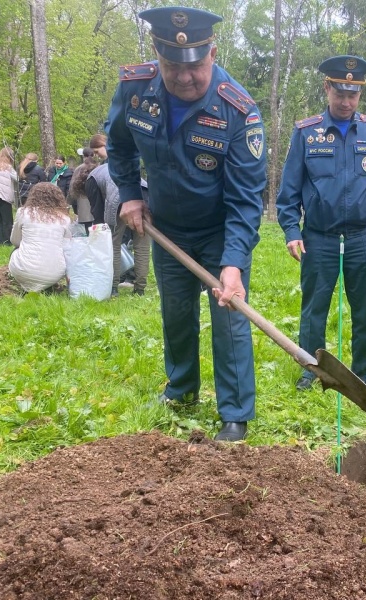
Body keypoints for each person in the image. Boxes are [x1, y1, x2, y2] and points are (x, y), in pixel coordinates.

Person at [105, 6, 266, 442]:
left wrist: (233, 263)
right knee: (176, 313)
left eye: (195, 66)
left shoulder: (239, 110)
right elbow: (117, 145)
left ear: (212, 52)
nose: (185, 77)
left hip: (219, 231)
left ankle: (234, 413)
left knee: (229, 318)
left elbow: (247, 199)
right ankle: (181, 391)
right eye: (173, 66)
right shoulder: (135, 89)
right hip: (167, 227)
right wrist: (131, 194)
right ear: (157, 54)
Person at [276, 55, 366, 392]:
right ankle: (311, 371)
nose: (346, 102)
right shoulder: (306, 133)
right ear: (327, 88)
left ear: (360, 94)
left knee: (365, 312)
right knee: (314, 308)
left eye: (353, 95)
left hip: (362, 237)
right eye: (340, 94)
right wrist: (291, 231)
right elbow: (288, 190)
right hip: (319, 238)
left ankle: (364, 376)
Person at [85, 133, 151, 297]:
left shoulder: (93, 176)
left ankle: (113, 287)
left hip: (121, 198)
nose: (97, 156)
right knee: (142, 244)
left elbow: (97, 209)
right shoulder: (120, 164)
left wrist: (101, 230)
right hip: (145, 194)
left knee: (112, 244)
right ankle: (140, 288)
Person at [8, 183, 71, 293]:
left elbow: (15, 240)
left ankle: (27, 284)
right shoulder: (64, 219)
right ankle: (46, 285)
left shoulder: (23, 213)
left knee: (15, 251)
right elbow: (67, 247)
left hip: (24, 271)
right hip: (54, 274)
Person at [68, 147, 97, 232]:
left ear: (83, 156)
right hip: (97, 198)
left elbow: (72, 185)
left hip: (83, 198)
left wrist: (69, 201)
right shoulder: (99, 166)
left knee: (88, 226)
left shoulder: (79, 168)